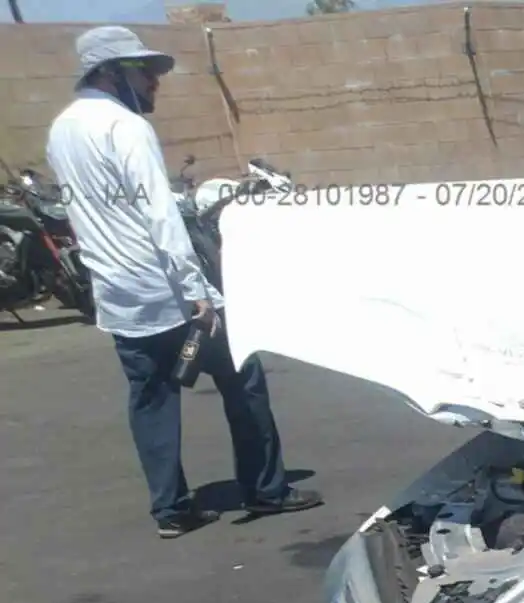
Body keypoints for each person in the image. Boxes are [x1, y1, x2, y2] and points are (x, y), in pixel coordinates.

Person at [46, 27, 320, 538]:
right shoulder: (124, 127)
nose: (155, 82)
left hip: (119, 296)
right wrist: (197, 291)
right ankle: (266, 491)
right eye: (143, 71)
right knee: (243, 376)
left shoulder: (62, 129)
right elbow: (159, 213)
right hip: (167, 291)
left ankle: (171, 510)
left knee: (151, 398)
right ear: (109, 73)